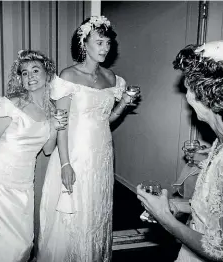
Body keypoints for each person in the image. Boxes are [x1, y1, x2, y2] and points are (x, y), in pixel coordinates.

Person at [38, 16, 137, 262]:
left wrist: (123, 103)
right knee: (72, 216)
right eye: (99, 42)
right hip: (74, 154)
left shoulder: (112, 78)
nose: (105, 48)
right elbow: (62, 125)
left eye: (108, 43)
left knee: (96, 210)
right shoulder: (68, 76)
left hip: (102, 155)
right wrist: (65, 164)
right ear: (84, 43)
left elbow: (107, 120)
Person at [0, 50, 68, 262]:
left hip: (23, 185)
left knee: (22, 244)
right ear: (19, 78)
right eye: (24, 72)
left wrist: (56, 127)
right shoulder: (10, 104)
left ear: (47, 74)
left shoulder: (51, 109)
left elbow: (48, 149)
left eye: (35, 70)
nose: (29, 76)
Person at [137, 40, 223, 261]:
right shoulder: (221, 142)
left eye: (188, 86)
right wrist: (174, 206)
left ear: (204, 93)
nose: (186, 95)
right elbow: (215, 210)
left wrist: (164, 218)